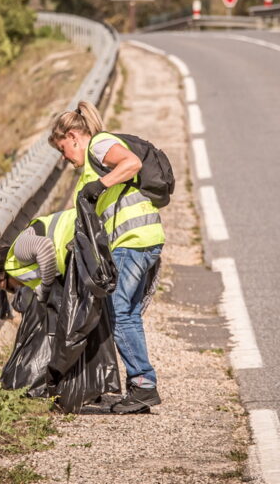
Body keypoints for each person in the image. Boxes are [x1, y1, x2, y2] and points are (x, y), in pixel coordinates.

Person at [48, 101, 165, 414]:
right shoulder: (91, 162)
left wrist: (98, 185)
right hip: (143, 239)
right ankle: (140, 387)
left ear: (74, 136)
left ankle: (143, 384)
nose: (64, 157)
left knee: (119, 310)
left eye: (63, 148)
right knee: (127, 313)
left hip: (135, 240)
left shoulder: (98, 145)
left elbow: (130, 164)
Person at [0, 208, 77, 306]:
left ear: (5, 277)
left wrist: (45, 289)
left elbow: (45, 247)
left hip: (79, 230)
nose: (16, 291)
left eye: (10, 288)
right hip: (78, 244)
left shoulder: (19, 250)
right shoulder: (31, 269)